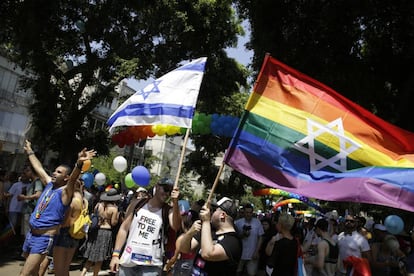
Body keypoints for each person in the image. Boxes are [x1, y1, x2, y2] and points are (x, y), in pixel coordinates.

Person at [20, 140, 96, 276]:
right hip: (31, 234)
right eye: (55, 171)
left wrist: (79, 163)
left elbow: (73, 178)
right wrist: (30, 151)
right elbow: (39, 168)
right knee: (32, 273)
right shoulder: (49, 184)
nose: (54, 173)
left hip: (43, 238)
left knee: (24, 274)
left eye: (59, 172)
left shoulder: (65, 192)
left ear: (66, 178)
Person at [109, 177, 181, 275]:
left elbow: (176, 226)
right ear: (156, 186)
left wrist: (176, 202)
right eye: (165, 189)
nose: (167, 193)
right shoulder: (138, 203)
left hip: (151, 266)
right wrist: (115, 255)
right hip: (128, 262)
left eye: (170, 191)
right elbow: (124, 229)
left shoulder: (168, 210)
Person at [177, 196, 242, 275]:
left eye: (214, 210)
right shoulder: (209, 230)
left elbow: (207, 254)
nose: (210, 212)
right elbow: (184, 249)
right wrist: (190, 233)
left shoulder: (233, 241)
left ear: (222, 215)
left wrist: (206, 221)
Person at [54, 179, 89, 276]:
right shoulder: (84, 200)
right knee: (65, 267)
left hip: (65, 232)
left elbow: (66, 222)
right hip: (76, 234)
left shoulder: (72, 200)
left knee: (59, 269)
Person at [81, 188, 121, 276]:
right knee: (100, 257)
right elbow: (114, 223)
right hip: (106, 232)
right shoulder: (114, 209)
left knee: (90, 256)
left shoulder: (98, 205)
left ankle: (82, 273)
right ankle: (95, 274)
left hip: (96, 231)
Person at [235, 203, 264, 276]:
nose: (248, 214)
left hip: (253, 254)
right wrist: (243, 234)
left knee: (251, 273)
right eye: (247, 212)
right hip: (240, 254)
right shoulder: (238, 223)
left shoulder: (257, 222)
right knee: (237, 272)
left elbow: (260, 237)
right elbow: (235, 237)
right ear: (244, 212)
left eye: (250, 212)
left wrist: (257, 251)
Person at [18, 166, 44, 239]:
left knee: (27, 233)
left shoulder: (37, 181)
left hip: (30, 211)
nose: (25, 173)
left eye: (27, 171)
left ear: (32, 172)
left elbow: (38, 194)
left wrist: (24, 197)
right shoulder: (33, 182)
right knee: (25, 232)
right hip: (27, 210)